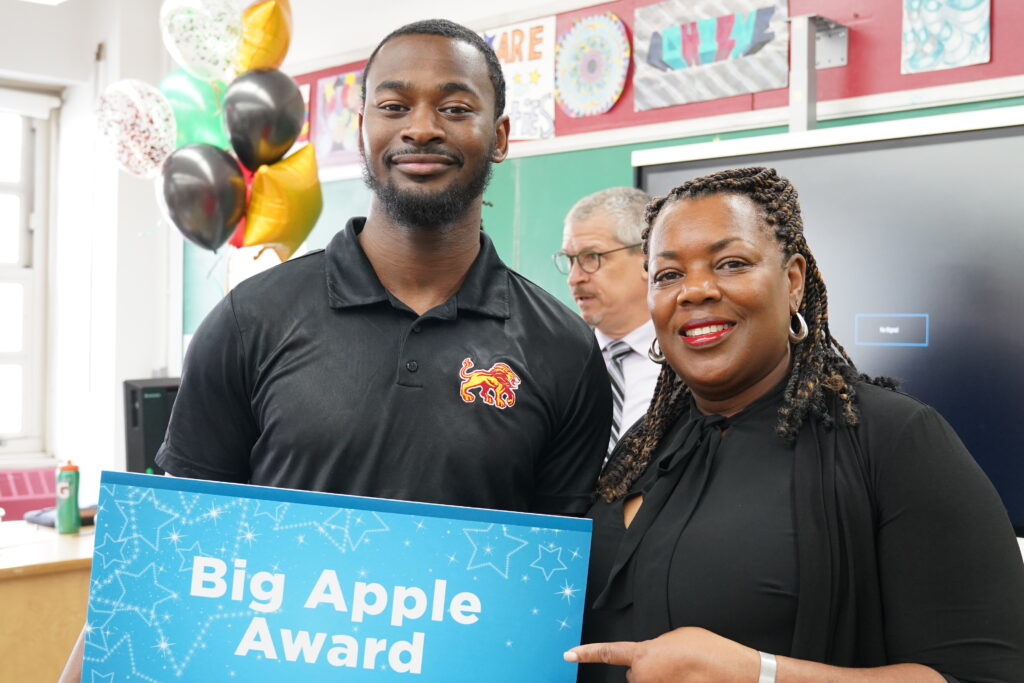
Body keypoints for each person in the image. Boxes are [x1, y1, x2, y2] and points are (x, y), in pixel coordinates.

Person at [60, 19, 611, 682]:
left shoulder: (564, 350)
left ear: (499, 136)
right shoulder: (249, 319)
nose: (422, 127)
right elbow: (169, 556)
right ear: (361, 131)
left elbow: (552, 593)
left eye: (456, 107)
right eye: (394, 105)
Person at [564, 167, 1024, 682]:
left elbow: (983, 675)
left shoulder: (896, 440)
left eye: (731, 263)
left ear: (793, 281)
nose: (694, 291)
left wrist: (762, 673)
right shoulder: (642, 446)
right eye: (668, 275)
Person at [558, 188, 659, 457]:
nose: (574, 278)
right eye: (570, 260)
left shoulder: (692, 360)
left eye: (592, 257)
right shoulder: (555, 360)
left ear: (648, 262)